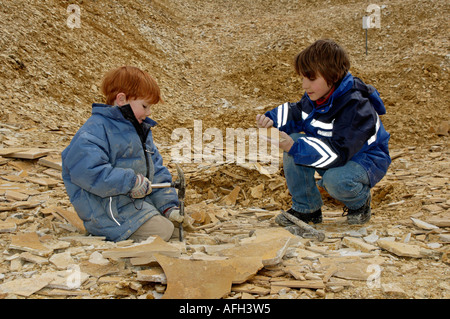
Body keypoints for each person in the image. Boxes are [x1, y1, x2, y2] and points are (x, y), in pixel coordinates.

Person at [256, 39, 391, 234]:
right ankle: (307, 209)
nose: (305, 85)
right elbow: (297, 112)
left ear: (333, 76)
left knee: (335, 180)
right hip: (338, 152)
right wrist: (271, 119)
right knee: (295, 142)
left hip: (366, 159)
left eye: (311, 79)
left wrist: (294, 147)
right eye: (302, 78)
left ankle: (360, 202)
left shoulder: (356, 107)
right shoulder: (317, 96)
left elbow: (338, 152)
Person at [61, 66, 183, 242]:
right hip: (107, 213)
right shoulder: (94, 131)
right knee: (163, 231)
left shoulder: (140, 131)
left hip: (133, 206)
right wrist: (130, 182)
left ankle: (160, 215)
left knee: (175, 228)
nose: (149, 113)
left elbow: (156, 170)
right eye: (145, 106)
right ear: (121, 99)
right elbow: (87, 171)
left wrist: (169, 207)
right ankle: (106, 231)